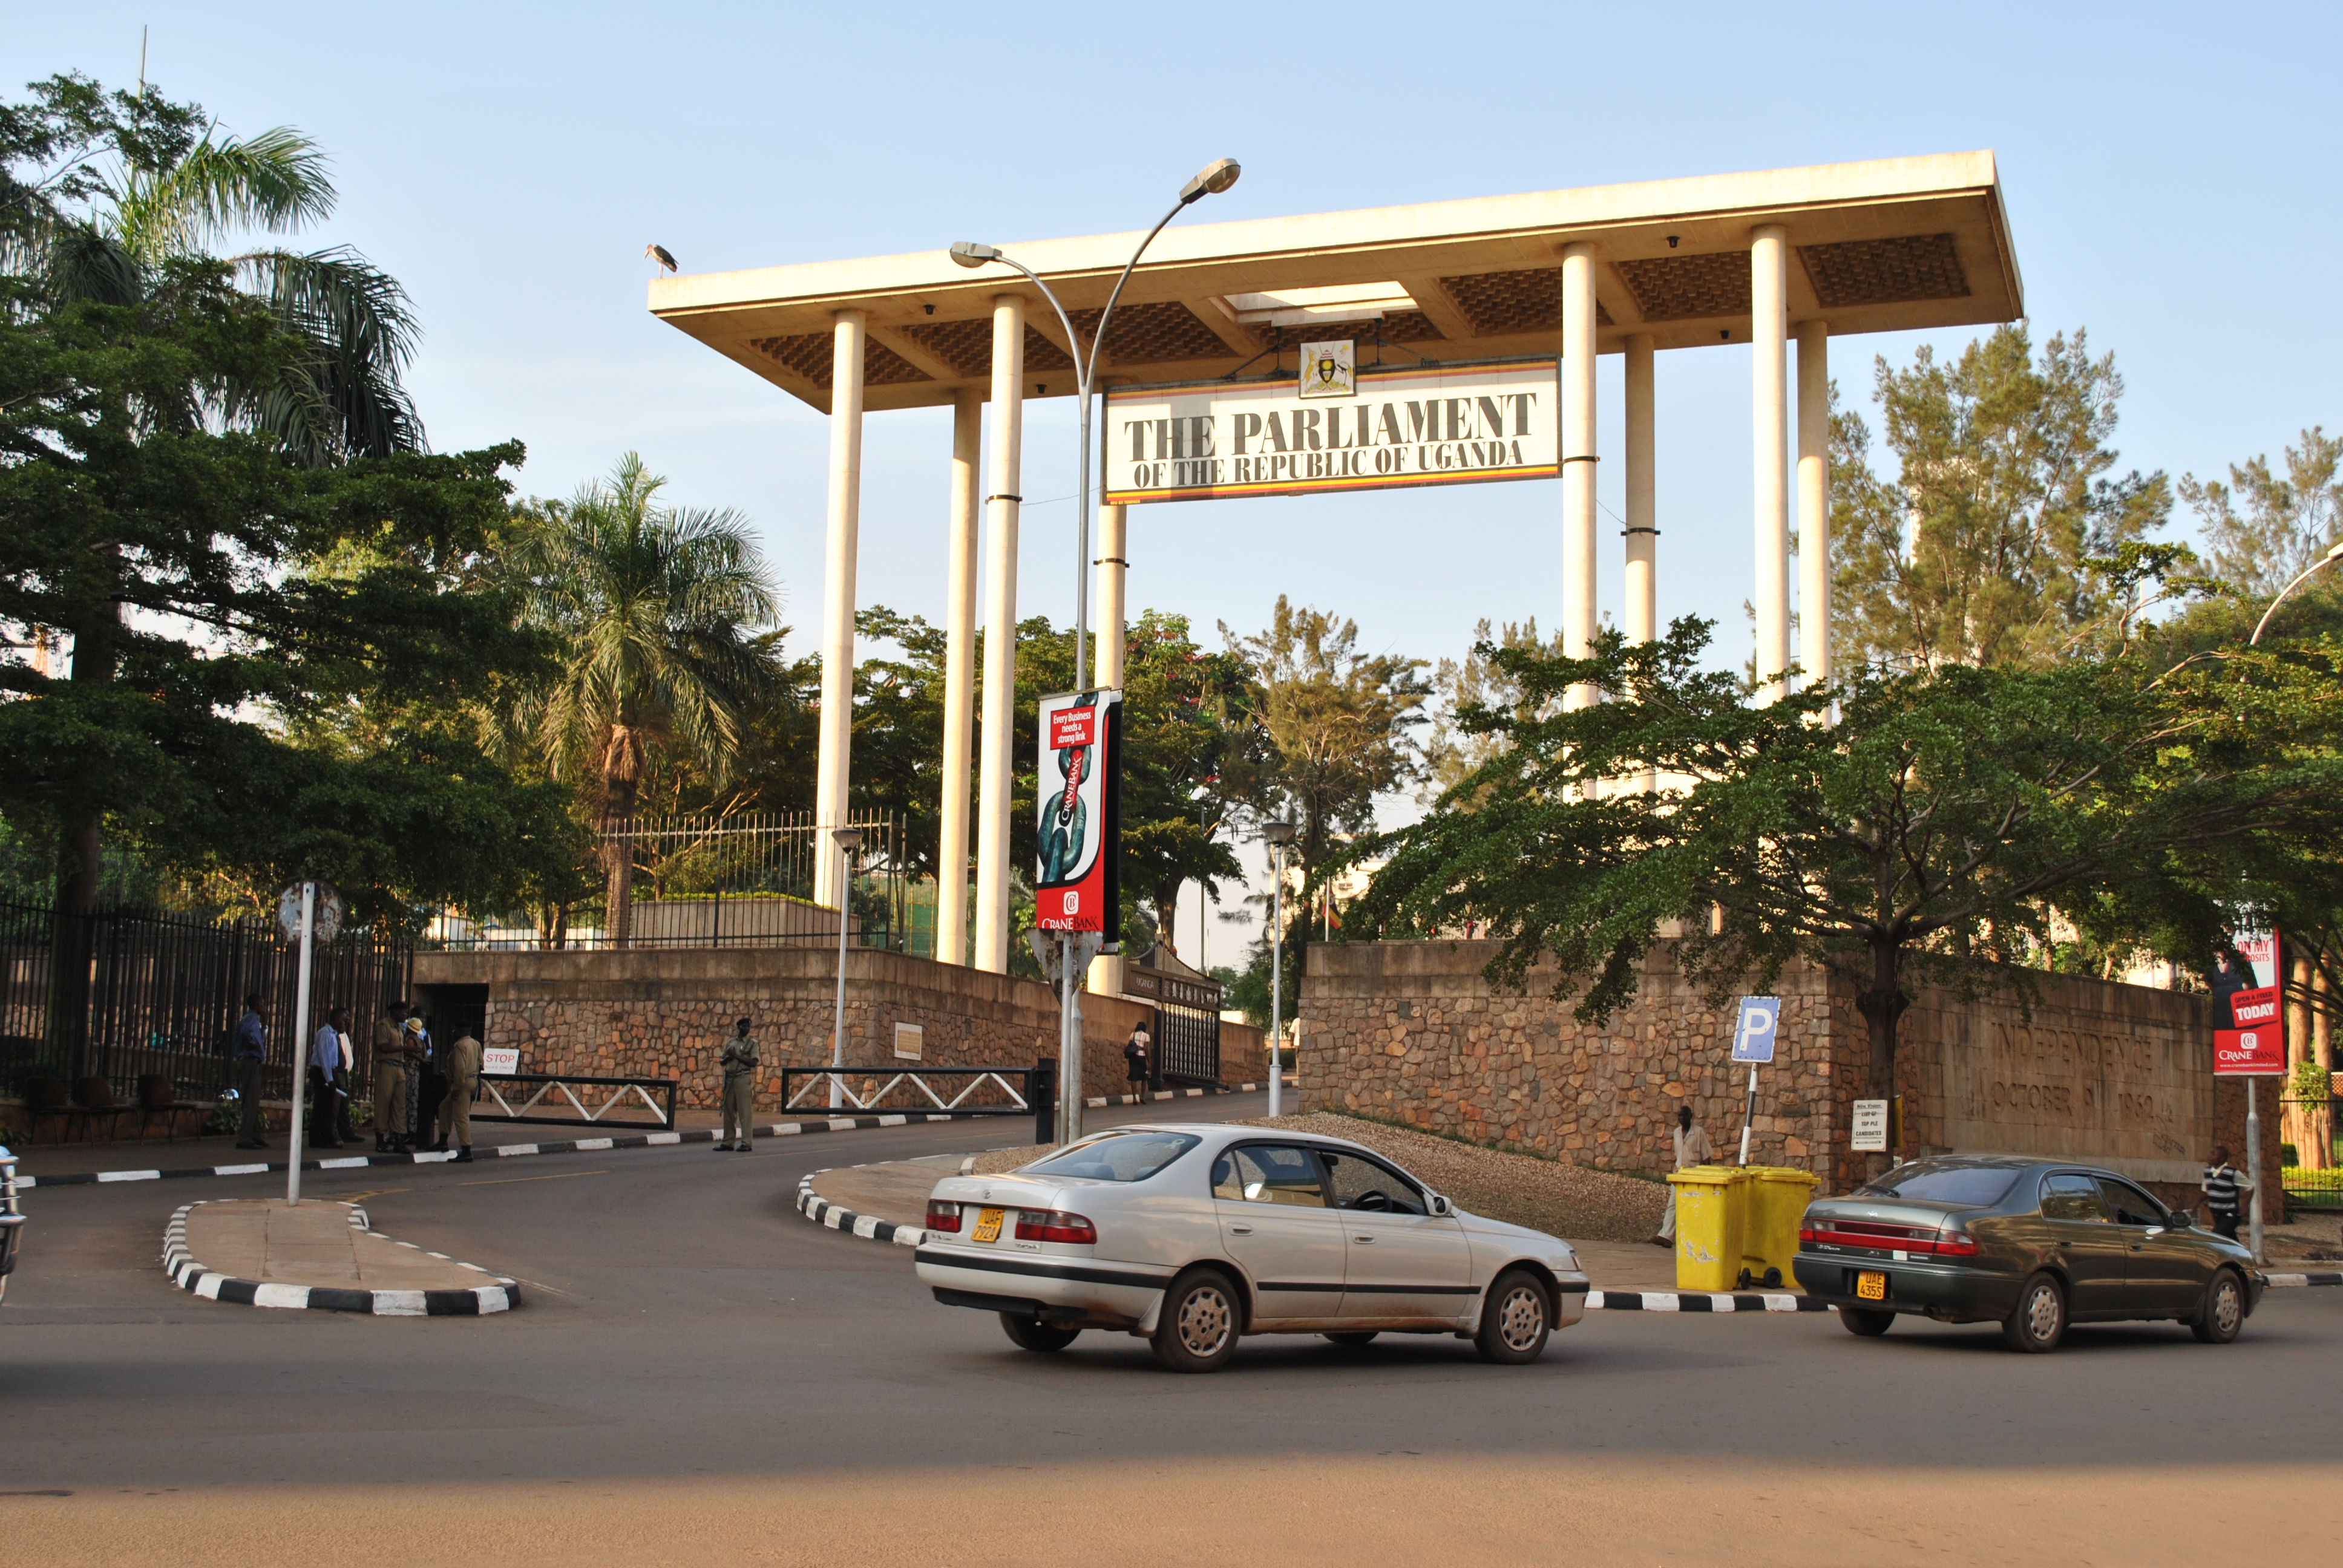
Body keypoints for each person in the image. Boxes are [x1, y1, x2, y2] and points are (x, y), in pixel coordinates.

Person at [1651, 1104, 1715, 1247]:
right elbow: (1678, 1153)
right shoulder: (1676, 1133)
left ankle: (1696, 1237)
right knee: (1672, 1204)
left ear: (1691, 1117)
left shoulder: (1698, 1133)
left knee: (1693, 1207)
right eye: (1680, 1116)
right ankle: (1666, 1236)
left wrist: (1708, 1176)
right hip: (1679, 1173)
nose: (1682, 1118)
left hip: (1694, 1175)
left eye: (1685, 1115)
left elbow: (1706, 1157)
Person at [434, 1026, 482, 1162]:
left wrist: (456, 1088)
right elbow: (481, 1063)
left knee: (461, 1117)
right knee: (445, 1107)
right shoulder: (476, 1044)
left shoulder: (460, 1045)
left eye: (456, 1030)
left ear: (462, 1031)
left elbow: (460, 1069)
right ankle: (443, 1140)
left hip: (463, 1083)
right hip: (473, 1081)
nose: (453, 1032)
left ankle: (466, 1150)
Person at [372, 1001, 412, 1154]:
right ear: (394, 1012)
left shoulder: (400, 1028)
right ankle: (380, 1140)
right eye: (403, 1012)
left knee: (399, 1105)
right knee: (383, 1102)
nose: (405, 1015)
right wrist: (405, 1048)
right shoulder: (384, 1026)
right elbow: (384, 1047)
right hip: (386, 1066)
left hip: (399, 1067)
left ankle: (398, 1140)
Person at [233, 993, 272, 1149]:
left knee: (253, 1100)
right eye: (262, 1004)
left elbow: (258, 1037)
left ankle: (254, 1134)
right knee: (250, 1101)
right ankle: (246, 1138)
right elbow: (249, 1034)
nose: (264, 1007)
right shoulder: (250, 1019)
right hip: (250, 1061)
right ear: (256, 1005)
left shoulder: (255, 1020)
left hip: (253, 1061)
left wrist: (264, 1025)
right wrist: (254, 1045)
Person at [717, 1017, 759, 1152]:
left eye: (748, 1027)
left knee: (745, 1112)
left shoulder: (752, 1044)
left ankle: (747, 1143)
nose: (747, 1029)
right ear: (739, 1027)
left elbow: (753, 1063)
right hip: (729, 1078)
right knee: (729, 1110)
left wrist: (736, 1056)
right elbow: (722, 1061)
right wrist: (728, 1058)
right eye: (744, 1027)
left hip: (742, 1078)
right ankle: (728, 1141)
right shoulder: (731, 1042)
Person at [307, 1007, 344, 1149]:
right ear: (335, 1018)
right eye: (343, 1019)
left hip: (329, 1071)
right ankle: (320, 1138)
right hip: (323, 1073)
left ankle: (324, 1137)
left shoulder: (333, 1034)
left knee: (328, 1107)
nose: (344, 1023)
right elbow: (325, 1058)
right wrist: (329, 1079)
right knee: (322, 1107)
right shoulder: (325, 1034)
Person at [2202, 1144, 2252, 1241]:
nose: (2209, 1156)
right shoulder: (2208, 1172)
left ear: (2222, 1158)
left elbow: (2250, 1187)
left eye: (2213, 1154)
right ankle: (2244, 1255)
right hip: (2217, 1215)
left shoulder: (2232, 1173)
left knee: (2215, 1237)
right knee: (2231, 1240)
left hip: (2230, 1215)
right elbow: (2206, 1191)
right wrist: (2195, 1204)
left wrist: (2244, 1207)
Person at [1123, 1024, 1153, 1097]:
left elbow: (1130, 1045)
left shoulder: (1133, 1035)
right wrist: (1149, 1061)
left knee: (1134, 1077)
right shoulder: (1146, 1036)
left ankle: (1134, 1098)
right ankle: (1142, 1097)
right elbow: (1146, 1048)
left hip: (1133, 1058)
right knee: (1144, 1077)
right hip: (1142, 1057)